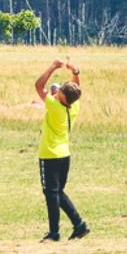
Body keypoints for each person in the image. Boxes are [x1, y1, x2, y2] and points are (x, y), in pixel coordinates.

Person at [34, 58, 90, 242]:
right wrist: (75, 72)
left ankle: (54, 232)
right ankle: (79, 225)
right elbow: (76, 90)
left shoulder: (55, 106)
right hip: (64, 154)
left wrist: (52, 67)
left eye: (60, 92)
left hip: (50, 154)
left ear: (63, 97)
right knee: (58, 192)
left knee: (51, 194)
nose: (56, 92)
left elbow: (39, 86)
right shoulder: (73, 107)